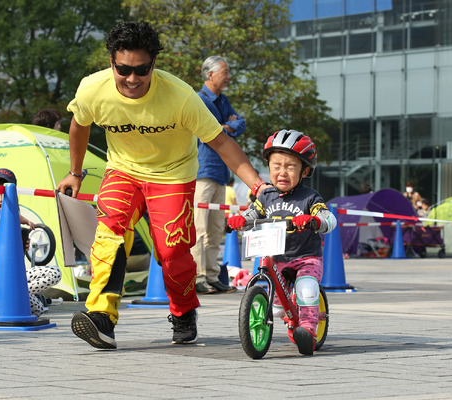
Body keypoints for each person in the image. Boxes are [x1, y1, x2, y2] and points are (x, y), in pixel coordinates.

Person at [56, 20, 268, 349]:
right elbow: (79, 125)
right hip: (123, 170)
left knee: (172, 253)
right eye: (123, 69)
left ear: (153, 63)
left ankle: (183, 312)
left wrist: (257, 186)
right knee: (109, 234)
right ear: (111, 61)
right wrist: (75, 172)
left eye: (141, 70)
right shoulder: (92, 89)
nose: (131, 79)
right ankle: (101, 316)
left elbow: (223, 144)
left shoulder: (181, 97)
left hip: (172, 175)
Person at [227, 129, 337, 355]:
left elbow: (329, 218)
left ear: (305, 170)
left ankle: (308, 329)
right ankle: (287, 320)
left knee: (306, 289)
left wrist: (314, 221)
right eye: (276, 166)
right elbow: (253, 214)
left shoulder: (310, 197)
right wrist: (241, 220)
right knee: (277, 306)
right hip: (276, 258)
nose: (282, 172)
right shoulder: (266, 196)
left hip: (306, 257)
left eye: (290, 167)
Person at [192, 56, 245, 295]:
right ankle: (198, 277)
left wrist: (226, 126)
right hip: (203, 171)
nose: (229, 76)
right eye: (225, 71)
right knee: (199, 228)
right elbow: (206, 130)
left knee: (215, 229)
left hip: (221, 173)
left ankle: (212, 276)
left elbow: (240, 123)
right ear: (210, 74)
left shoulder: (222, 100)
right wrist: (226, 125)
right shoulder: (199, 100)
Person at [0, 168, 62, 317]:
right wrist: (20, 218)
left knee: (38, 310)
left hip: (9, 277)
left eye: (4, 194)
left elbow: (12, 262)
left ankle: (0, 302)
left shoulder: (12, 224)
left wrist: (21, 248)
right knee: (54, 273)